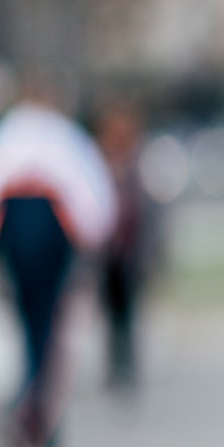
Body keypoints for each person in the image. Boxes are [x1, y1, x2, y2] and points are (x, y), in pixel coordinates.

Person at [0, 85, 115, 447]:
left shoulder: (2, 140)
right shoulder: (64, 137)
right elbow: (93, 200)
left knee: (29, 322)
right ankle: (38, 404)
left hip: (19, 239)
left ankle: (33, 399)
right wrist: (92, 245)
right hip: (52, 239)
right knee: (49, 325)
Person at [93, 98, 161, 397]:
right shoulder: (101, 168)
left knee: (129, 313)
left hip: (131, 252)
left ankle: (128, 368)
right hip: (108, 254)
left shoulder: (139, 167)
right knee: (111, 314)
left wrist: (153, 252)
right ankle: (114, 369)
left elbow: (152, 215)